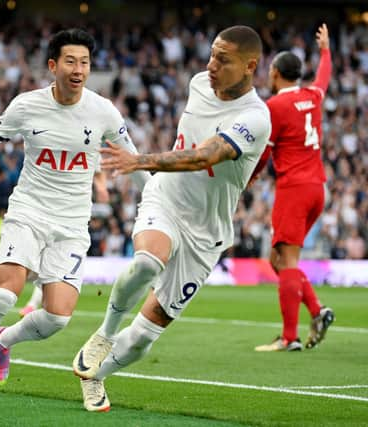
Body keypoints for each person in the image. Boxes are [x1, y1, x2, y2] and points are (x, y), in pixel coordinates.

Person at [0, 28, 149, 400]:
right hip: (29, 211)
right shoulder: (27, 105)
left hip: (71, 224)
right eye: (70, 61)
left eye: (85, 62)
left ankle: (5, 341)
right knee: (5, 295)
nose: (79, 69)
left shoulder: (103, 112)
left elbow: (134, 163)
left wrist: (156, 208)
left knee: (57, 318)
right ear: (53, 66)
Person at [71, 25, 271, 412]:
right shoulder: (199, 82)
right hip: (166, 199)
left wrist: (140, 160)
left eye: (223, 60)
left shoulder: (254, 117)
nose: (211, 65)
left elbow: (205, 156)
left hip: (207, 232)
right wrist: (149, 169)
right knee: (148, 261)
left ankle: (95, 375)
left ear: (250, 66)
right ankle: (104, 334)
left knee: (146, 336)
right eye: (212, 55)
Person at [254, 24, 334, 352]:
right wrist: (326, 50)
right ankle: (317, 310)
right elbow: (324, 77)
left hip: (293, 189)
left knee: (286, 262)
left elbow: (265, 152)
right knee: (278, 259)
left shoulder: (275, 106)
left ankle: (289, 338)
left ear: (275, 73)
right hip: (317, 189)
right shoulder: (312, 96)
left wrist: (251, 175)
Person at [17, 171, 110, 317]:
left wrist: (101, 185)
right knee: (47, 269)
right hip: (56, 223)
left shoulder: (84, 167)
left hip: (73, 230)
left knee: (52, 272)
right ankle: (34, 304)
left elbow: (98, 172)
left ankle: (36, 304)